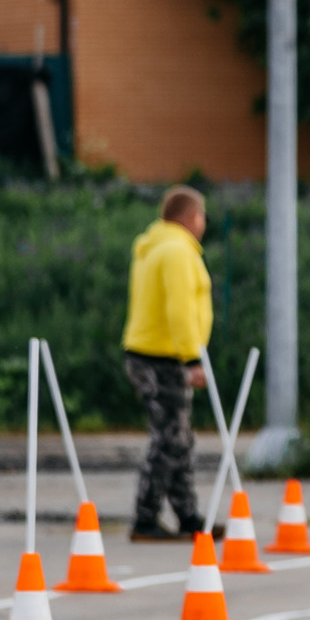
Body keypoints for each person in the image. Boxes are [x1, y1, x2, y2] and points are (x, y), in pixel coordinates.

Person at [121, 185, 213, 542]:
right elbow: (179, 309)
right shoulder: (176, 251)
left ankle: (188, 516)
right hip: (162, 358)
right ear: (191, 217)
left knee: (179, 437)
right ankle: (145, 517)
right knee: (170, 440)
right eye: (202, 216)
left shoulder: (155, 246)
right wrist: (192, 358)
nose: (203, 223)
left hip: (150, 353)